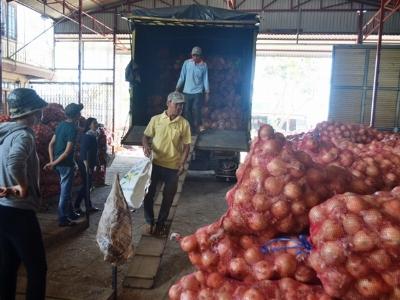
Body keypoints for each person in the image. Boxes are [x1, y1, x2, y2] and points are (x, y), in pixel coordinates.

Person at [0, 88, 48, 300]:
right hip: (18, 211)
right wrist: (22, 186)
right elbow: (15, 162)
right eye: (40, 110)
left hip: (2, 208)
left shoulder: (4, 133)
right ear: (32, 112)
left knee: (8, 265)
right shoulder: (24, 135)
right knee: (37, 268)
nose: (42, 114)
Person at [142, 91, 191, 235]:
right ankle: (149, 221)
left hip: (173, 167)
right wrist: (146, 145)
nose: (180, 107)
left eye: (182, 105)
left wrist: (182, 163)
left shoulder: (184, 124)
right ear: (168, 103)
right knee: (148, 194)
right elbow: (145, 136)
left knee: (168, 198)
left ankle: (161, 224)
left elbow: (187, 146)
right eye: (177, 104)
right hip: (155, 164)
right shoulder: (156, 120)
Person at [44, 103, 84, 227]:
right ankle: (63, 218)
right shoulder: (72, 129)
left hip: (57, 162)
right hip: (65, 164)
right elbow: (67, 152)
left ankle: (71, 213)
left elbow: (51, 144)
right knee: (65, 192)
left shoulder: (61, 125)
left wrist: (52, 162)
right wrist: (54, 163)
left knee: (67, 189)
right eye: (79, 113)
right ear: (77, 115)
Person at [176, 46, 210, 134]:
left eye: (197, 56)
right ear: (191, 55)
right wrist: (177, 88)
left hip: (198, 92)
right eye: (193, 55)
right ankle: (189, 129)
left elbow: (205, 79)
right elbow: (182, 77)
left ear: (200, 56)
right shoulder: (186, 63)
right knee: (186, 111)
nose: (195, 57)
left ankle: (198, 126)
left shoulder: (204, 65)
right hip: (186, 92)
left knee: (196, 108)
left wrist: (207, 92)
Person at [74, 117, 100, 215]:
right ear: (89, 125)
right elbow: (84, 153)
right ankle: (77, 205)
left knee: (87, 185)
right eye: (94, 123)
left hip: (89, 163)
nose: (96, 124)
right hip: (84, 163)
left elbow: (94, 151)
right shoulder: (87, 136)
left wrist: (97, 162)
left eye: (96, 122)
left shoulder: (94, 135)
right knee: (86, 185)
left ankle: (88, 206)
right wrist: (87, 167)